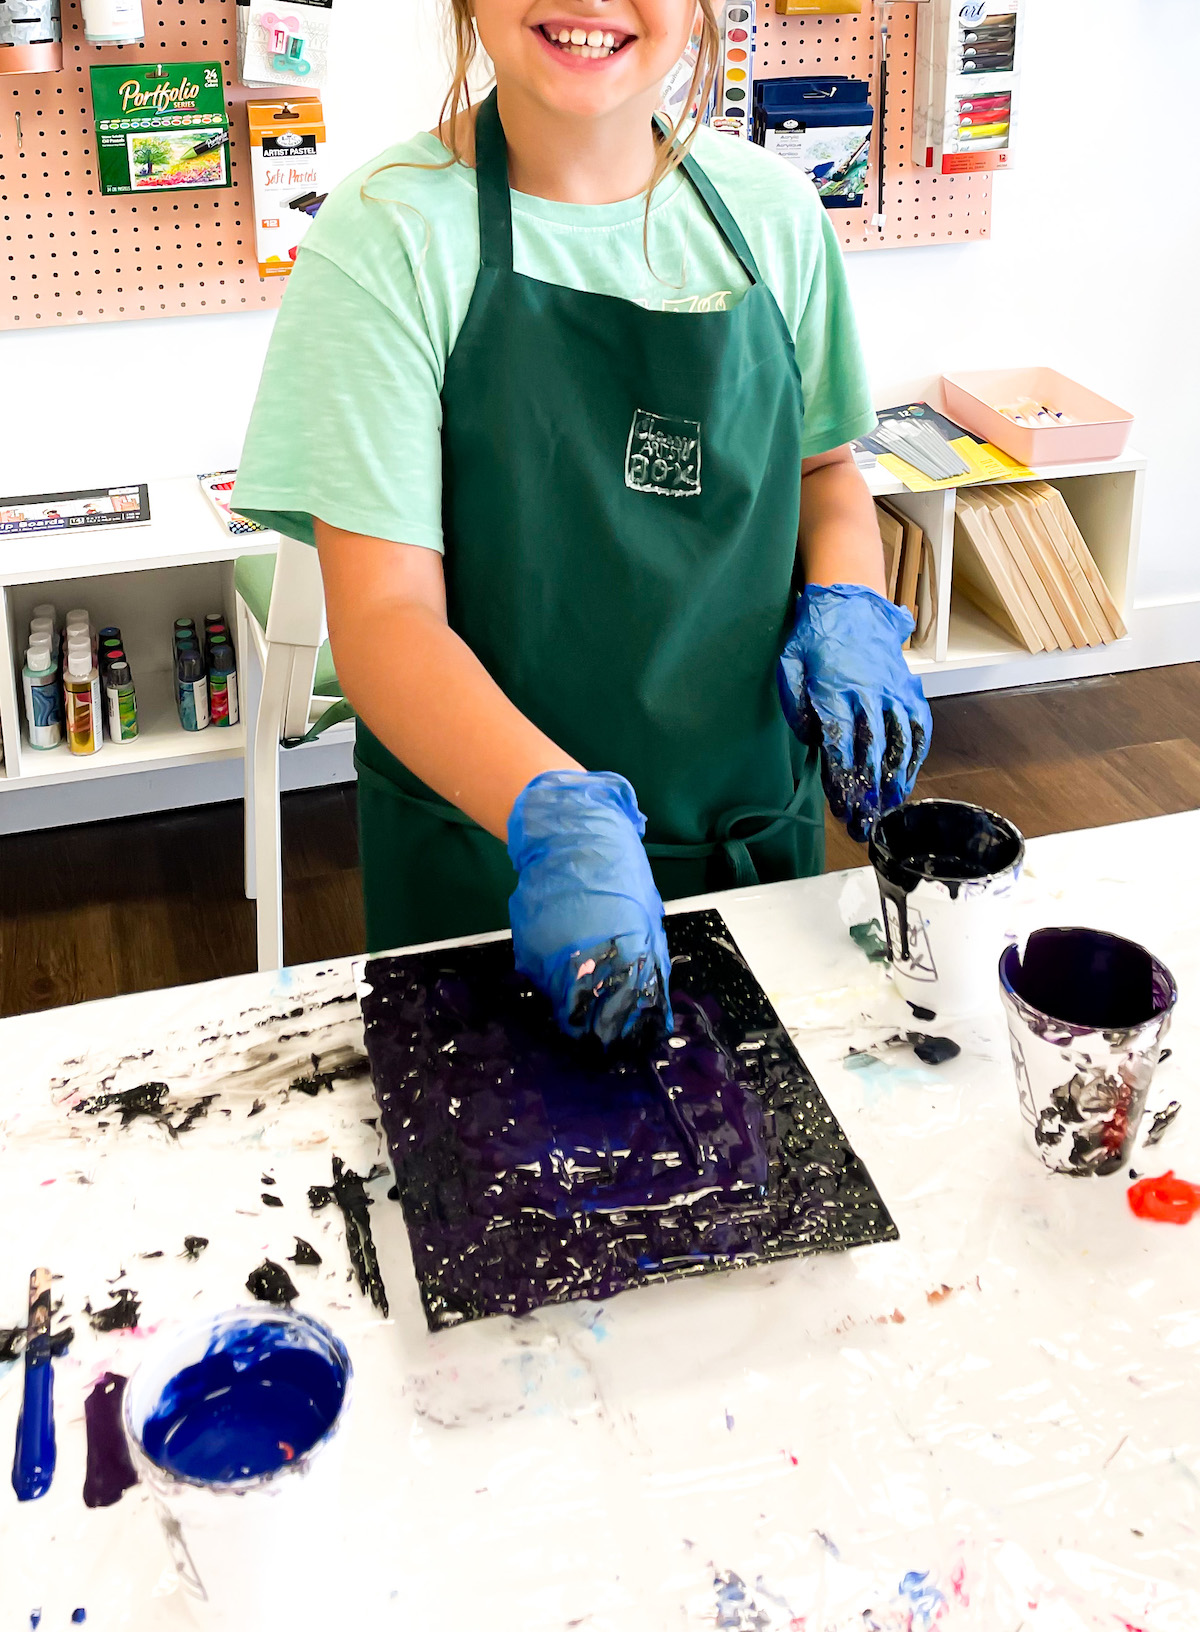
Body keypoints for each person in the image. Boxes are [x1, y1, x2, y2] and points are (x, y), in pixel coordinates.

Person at [233, 0, 932, 1048]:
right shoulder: (388, 236)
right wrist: (554, 819)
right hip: (495, 859)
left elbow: (824, 470)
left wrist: (851, 608)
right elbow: (384, 617)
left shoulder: (775, 215)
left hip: (748, 836)